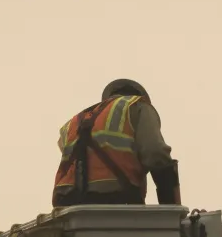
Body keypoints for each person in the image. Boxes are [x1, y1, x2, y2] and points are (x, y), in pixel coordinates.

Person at [52, 79, 180, 208]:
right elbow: (156, 153)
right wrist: (171, 208)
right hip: (114, 198)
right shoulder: (137, 105)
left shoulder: (74, 122)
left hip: (66, 203)